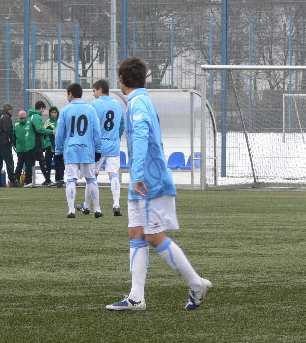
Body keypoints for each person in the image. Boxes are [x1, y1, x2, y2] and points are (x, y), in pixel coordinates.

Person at [106, 57, 212, 312]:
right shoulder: (138, 100)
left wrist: (137, 175)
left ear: (121, 79)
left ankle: (196, 284)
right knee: (136, 233)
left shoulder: (138, 103)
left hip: (148, 180)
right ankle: (136, 297)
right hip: (142, 179)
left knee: (153, 235)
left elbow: (141, 135)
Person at [77, 79, 125, 216]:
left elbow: (90, 126)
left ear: (100, 90)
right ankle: (116, 204)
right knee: (113, 174)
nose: (93, 94)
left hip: (98, 147)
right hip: (113, 145)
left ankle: (87, 206)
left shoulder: (94, 105)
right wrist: (116, 138)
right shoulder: (118, 104)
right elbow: (122, 125)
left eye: (94, 90)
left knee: (91, 176)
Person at [54, 83, 102, 218]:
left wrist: (58, 151)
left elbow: (59, 134)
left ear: (70, 93)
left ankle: (71, 211)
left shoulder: (65, 110)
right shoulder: (91, 109)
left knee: (71, 180)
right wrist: (98, 149)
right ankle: (97, 209)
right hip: (87, 150)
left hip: (71, 150)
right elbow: (97, 131)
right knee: (91, 179)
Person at [24, 101, 54, 187]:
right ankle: (48, 180)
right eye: (43, 109)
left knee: (30, 163)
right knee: (42, 161)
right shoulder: (37, 116)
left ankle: (27, 182)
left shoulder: (30, 116)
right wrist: (51, 131)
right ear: (41, 108)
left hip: (30, 143)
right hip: (35, 143)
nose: (43, 111)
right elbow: (39, 129)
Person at [0, 103, 19, 187]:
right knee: (9, 162)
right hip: (4, 142)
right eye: (10, 109)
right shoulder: (6, 117)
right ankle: (13, 180)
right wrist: (11, 139)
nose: (12, 111)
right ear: (7, 110)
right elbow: (8, 129)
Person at [43, 106, 64, 187]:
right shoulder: (48, 122)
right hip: (49, 145)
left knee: (58, 164)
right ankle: (47, 180)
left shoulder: (60, 121)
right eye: (52, 113)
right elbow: (43, 131)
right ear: (50, 113)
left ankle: (59, 180)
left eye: (55, 112)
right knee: (47, 164)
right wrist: (51, 132)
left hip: (58, 146)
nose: (54, 114)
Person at [13, 110, 29, 184]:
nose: (22, 120)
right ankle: (16, 179)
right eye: (21, 118)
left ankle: (28, 180)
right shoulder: (16, 125)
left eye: (23, 118)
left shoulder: (29, 124)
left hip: (28, 149)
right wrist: (15, 147)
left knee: (28, 165)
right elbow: (13, 137)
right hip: (20, 149)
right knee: (19, 165)